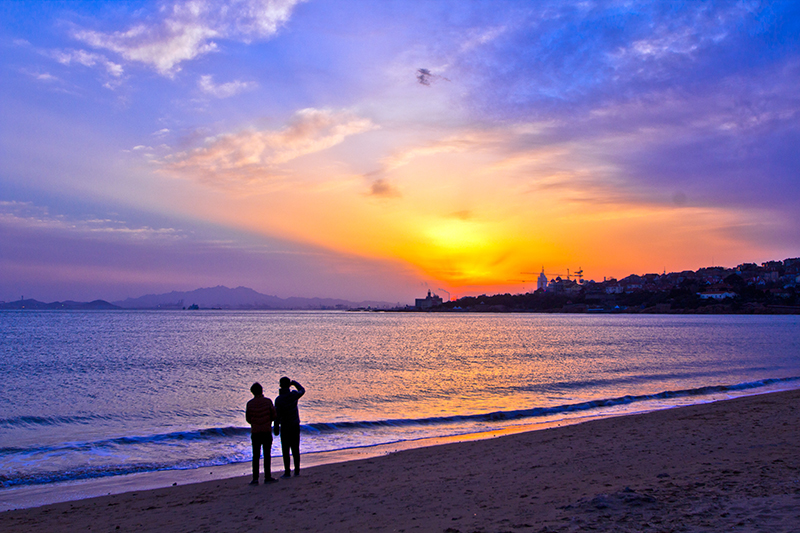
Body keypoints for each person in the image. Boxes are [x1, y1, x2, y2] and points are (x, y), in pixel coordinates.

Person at [245, 382, 277, 485]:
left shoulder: (250, 404)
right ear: (262, 390)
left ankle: (255, 478)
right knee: (267, 454)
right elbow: (273, 415)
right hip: (266, 430)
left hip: (255, 432)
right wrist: (267, 422)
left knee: (256, 455)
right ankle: (267, 476)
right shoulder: (268, 402)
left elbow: (248, 419)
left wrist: (255, 423)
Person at [274, 377, 305, 477]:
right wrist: (295, 383)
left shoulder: (279, 399)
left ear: (280, 385)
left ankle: (287, 471)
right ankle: (297, 470)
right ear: (289, 385)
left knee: (285, 449)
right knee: (295, 448)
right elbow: (302, 390)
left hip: (285, 425)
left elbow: (277, 415)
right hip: (295, 424)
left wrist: (275, 427)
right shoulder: (293, 395)